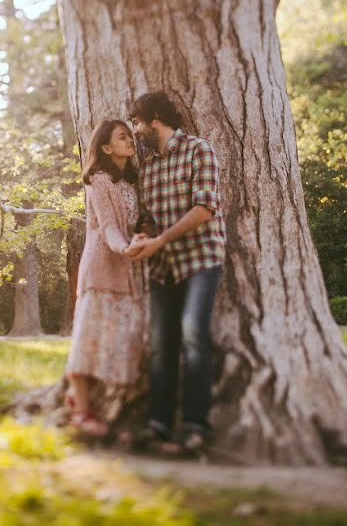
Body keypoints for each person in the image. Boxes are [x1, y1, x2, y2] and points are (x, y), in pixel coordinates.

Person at [124, 91, 226, 455]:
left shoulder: (200, 149)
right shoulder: (148, 166)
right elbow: (149, 218)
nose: (134, 130)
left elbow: (204, 208)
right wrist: (143, 236)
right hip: (163, 264)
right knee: (161, 346)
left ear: (154, 118)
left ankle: (196, 426)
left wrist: (161, 239)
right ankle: (158, 424)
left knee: (194, 336)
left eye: (136, 122)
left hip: (200, 257)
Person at [64, 119, 148, 438]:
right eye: (122, 137)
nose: (129, 141)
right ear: (106, 147)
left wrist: (140, 239)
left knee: (118, 344)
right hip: (100, 266)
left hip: (126, 269)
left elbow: (137, 221)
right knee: (88, 341)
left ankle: (101, 408)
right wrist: (125, 248)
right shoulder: (98, 180)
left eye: (130, 136)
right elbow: (109, 225)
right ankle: (82, 411)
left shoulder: (132, 183)